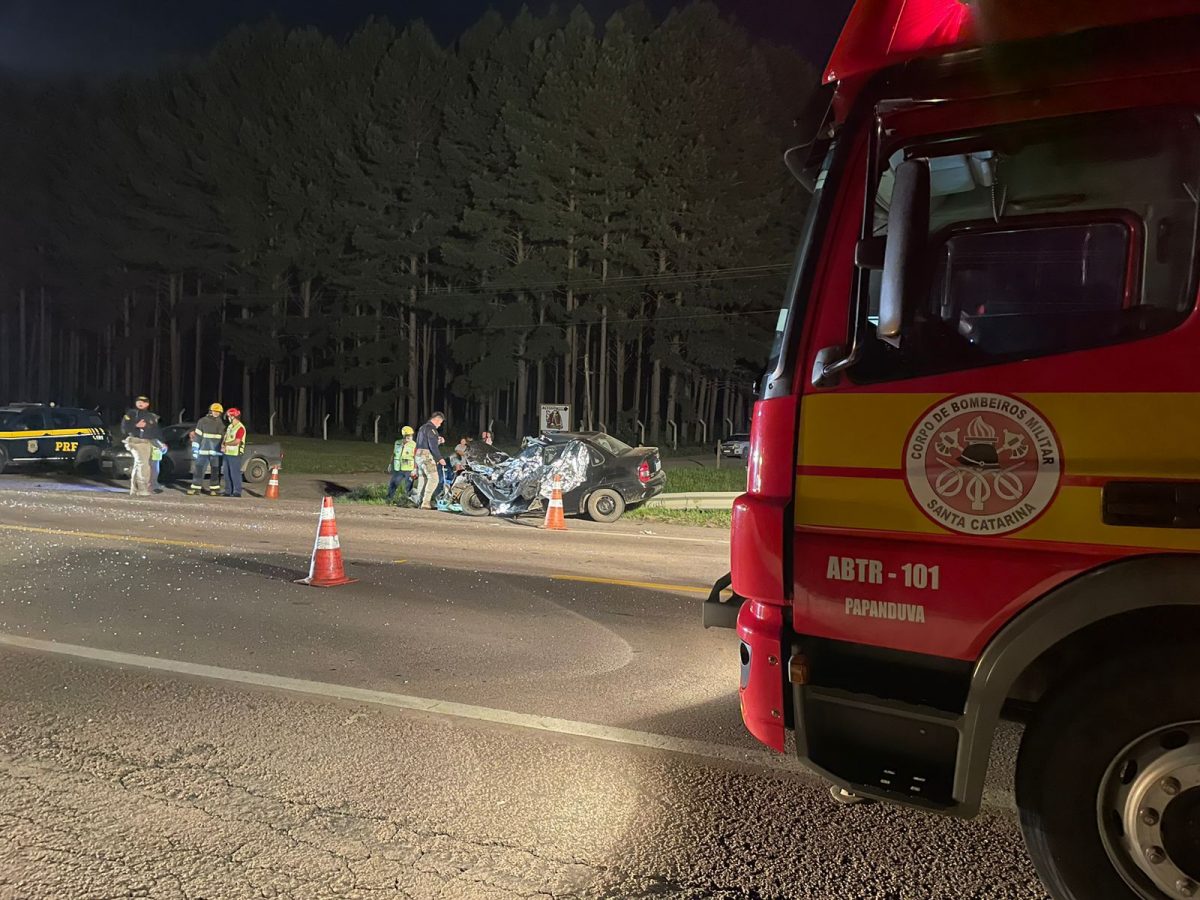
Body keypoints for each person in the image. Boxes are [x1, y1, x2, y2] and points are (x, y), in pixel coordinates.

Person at [121, 395, 162, 497]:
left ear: (147, 404)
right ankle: (142, 489)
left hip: (147, 442)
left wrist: (161, 442)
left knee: (138, 465)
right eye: (139, 401)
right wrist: (135, 425)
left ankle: (134, 489)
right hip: (135, 441)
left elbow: (156, 432)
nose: (141, 403)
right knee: (143, 465)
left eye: (144, 402)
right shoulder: (130, 414)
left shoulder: (151, 416)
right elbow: (124, 428)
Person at [188, 403, 226, 496]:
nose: (216, 413)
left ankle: (214, 489)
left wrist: (223, 446)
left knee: (215, 471)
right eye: (215, 411)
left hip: (216, 452)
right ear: (210, 411)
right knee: (199, 469)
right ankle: (196, 488)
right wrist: (195, 448)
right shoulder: (202, 421)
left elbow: (223, 438)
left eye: (218, 412)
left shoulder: (221, 423)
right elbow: (198, 436)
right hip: (203, 451)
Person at [413, 411, 445, 510]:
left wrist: (438, 441)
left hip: (418, 455)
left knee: (423, 479)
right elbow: (432, 446)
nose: (440, 425)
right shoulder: (432, 429)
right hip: (426, 456)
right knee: (434, 478)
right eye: (440, 423)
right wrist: (440, 458)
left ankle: (419, 501)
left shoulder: (422, 428)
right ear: (437, 420)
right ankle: (426, 502)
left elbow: (423, 443)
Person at [220, 407, 247, 497]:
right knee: (226, 473)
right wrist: (223, 444)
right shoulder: (230, 426)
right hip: (227, 453)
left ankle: (237, 491)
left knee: (235, 473)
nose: (227, 418)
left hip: (235, 454)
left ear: (233, 416)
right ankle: (228, 491)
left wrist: (226, 444)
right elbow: (226, 437)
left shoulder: (240, 428)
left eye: (228, 416)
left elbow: (237, 441)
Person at [387, 425, 417, 503]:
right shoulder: (397, 443)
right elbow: (393, 454)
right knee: (393, 484)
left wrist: (415, 469)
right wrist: (390, 464)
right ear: (403, 435)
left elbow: (416, 458)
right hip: (398, 468)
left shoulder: (414, 445)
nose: (409, 437)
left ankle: (406, 501)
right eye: (407, 435)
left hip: (409, 469)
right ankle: (389, 499)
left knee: (408, 486)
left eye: (411, 435)